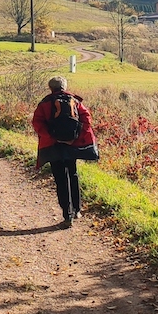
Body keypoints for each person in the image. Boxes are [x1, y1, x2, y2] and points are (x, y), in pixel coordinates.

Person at [32, 76, 98, 228]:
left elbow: (37, 123)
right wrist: (75, 137)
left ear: (50, 88)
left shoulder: (44, 103)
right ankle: (77, 210)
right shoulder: (74, 101)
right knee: (73, 175)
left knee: (60, 179)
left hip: (52, 146)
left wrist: (52, 136)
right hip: (71, 144)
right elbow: (86, 118)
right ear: (65, 86)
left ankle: (67, 215)